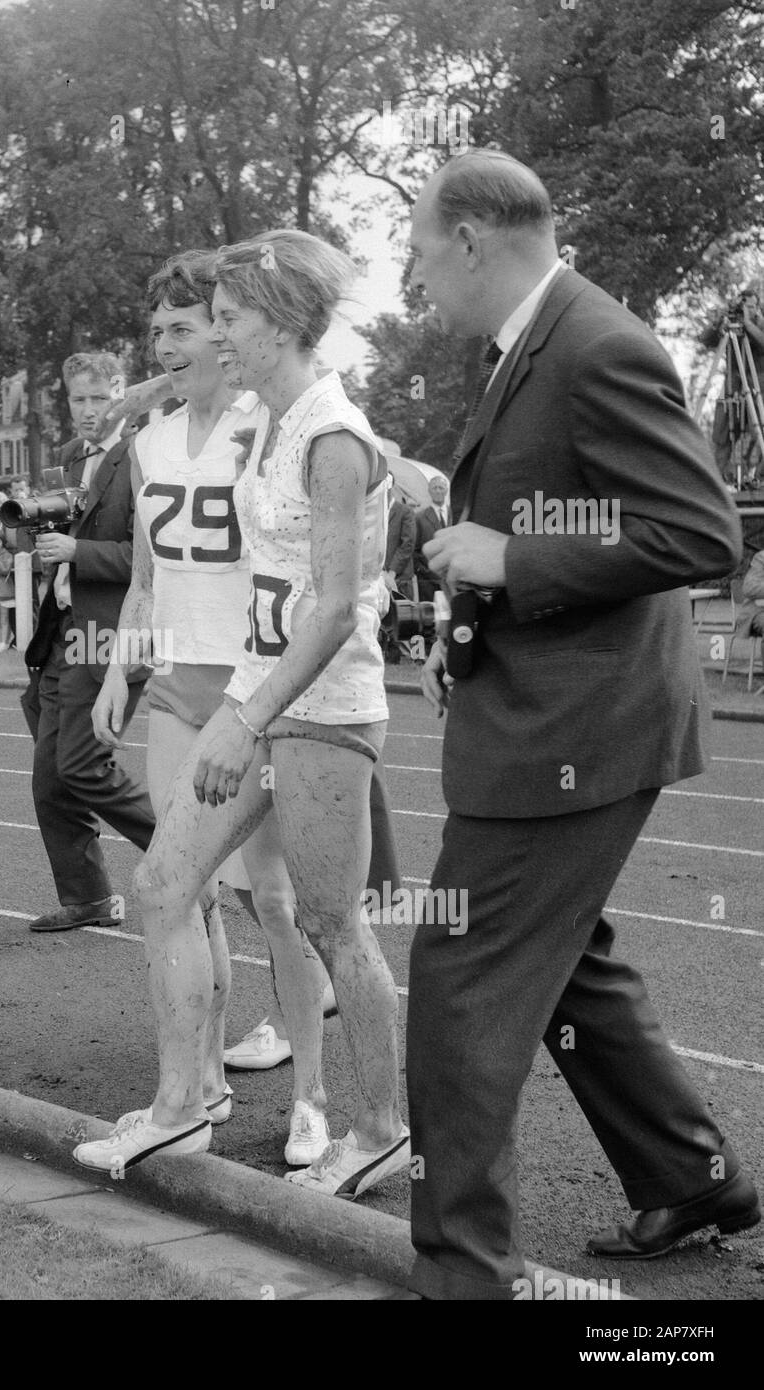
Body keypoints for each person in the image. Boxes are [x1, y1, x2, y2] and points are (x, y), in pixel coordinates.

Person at [406, 148, 756, 1300]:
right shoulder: (536, 344)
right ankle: (688, 1172)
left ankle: (469, 1275)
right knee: (563, 965)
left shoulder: (598, 344)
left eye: (418, 251)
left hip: (578, 729)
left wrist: (511, 560)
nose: (416, 278)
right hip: (560, 708)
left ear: (469, 238)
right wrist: (471, 611)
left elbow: (701, 536)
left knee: (462, 973)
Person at [73, 231, 407, 1196]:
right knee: (163, 886)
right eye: (205, 320)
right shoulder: (270, 412)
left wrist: (246, 716)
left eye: (228, 318)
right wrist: (140, 395)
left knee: (331, 924)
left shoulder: (332, 438)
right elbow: (183, 395)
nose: (214, 336)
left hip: (321, 713)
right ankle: (183, 1109)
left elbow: (337, 608)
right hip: (251, 701)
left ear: (280, 322)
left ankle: (377, 1125)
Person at [18, 352, 157, 934]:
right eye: (78, 399)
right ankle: (88, 897)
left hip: (113, 628)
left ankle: (189, 852)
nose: (89, 410)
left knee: (80, 764)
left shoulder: (149, 454)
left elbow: (151, 560)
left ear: (123, 395)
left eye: (101, 399)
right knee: (50, 776)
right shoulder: (71, 458)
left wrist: (79, 553)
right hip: (63, 627)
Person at [380, 483, 417, 663]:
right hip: (378, 573)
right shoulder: (373, 509)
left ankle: (412, 656)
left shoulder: (405, 511)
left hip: (399, 576)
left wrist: (392, 572)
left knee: (403, 618)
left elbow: (407, 543)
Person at [411, 475, 450, 601]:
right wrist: (425, 572)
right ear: (429, 491)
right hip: (428, 581)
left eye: (441, 488)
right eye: (435, 488)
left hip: (453, 578)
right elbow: (414, 550)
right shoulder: (420, 517)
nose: (438, 491)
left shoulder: (455, 514)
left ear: (446, 490)